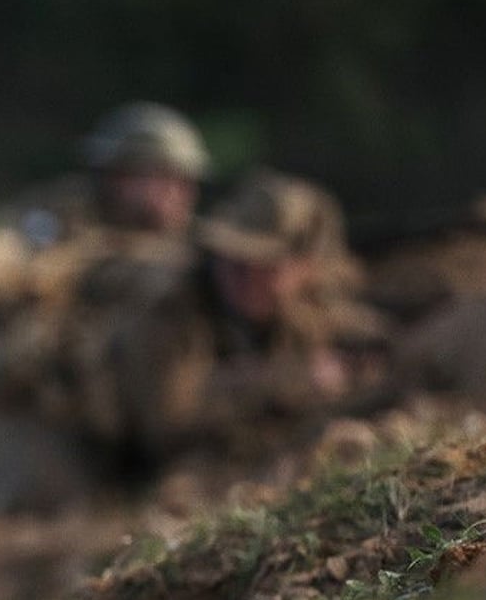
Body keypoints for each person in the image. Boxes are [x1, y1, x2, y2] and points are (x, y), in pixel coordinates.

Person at [0, 102, 209, 554]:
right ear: (113, 177)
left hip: (148, 411)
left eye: (180, 182)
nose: (170, 196)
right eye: (154, 179)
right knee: (25, 502)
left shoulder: (203, 250)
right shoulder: (59, 224)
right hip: (43, 402)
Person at [108, 168, 392, 464]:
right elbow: (165, 423)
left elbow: (371, 337)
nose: (241, 276)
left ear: (304, 268)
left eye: (264, 265)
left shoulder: (303, 307)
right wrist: (285, 379)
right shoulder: (170, 309)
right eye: (231, 260)